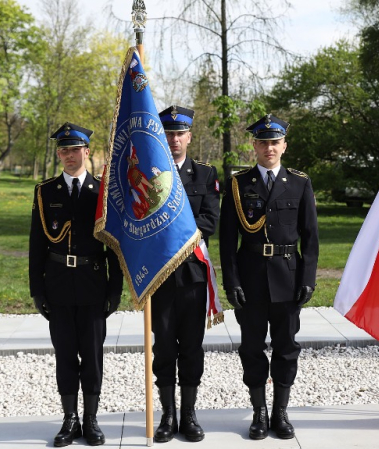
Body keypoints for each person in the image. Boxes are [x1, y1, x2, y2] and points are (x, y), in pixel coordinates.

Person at [219, 113, 318, 440]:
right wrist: (231, 282)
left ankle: (280, 412)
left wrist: (308, 278)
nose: (269, 148)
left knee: (287, 346)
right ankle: (259, 412)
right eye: (263, 142)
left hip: (288, 278)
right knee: (251, 346)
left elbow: (311, 237)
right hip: (251, 278)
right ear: (255, 146)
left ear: (284, 145)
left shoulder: (300, 182)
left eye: (274, 142)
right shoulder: (238, 184)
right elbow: (228, 238)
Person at [28, 122, 123, 447]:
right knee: (65, 354)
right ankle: (69, 419)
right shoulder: (45, 192)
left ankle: (91, 419)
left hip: (93, 283)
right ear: (59, 153)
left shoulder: (102, 192)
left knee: (93, 355)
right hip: (57, 284)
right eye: (64, 150)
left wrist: (115, 289)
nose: (70, 156)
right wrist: (37, 290)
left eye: (75, 149)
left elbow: (114, 245)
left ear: (87, 151)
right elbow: (37, 244)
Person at [150, 106, 220, 443]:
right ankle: (167, 415)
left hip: (192, 275)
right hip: (160, 277)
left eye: (180, 134)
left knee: (191, 347)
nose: (174, 139)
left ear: (189, 137)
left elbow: (211, 220)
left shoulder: (205, 175)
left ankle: (189, 416)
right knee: (163, 348)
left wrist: (176, 232)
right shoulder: (150, 174)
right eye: (168, 134)